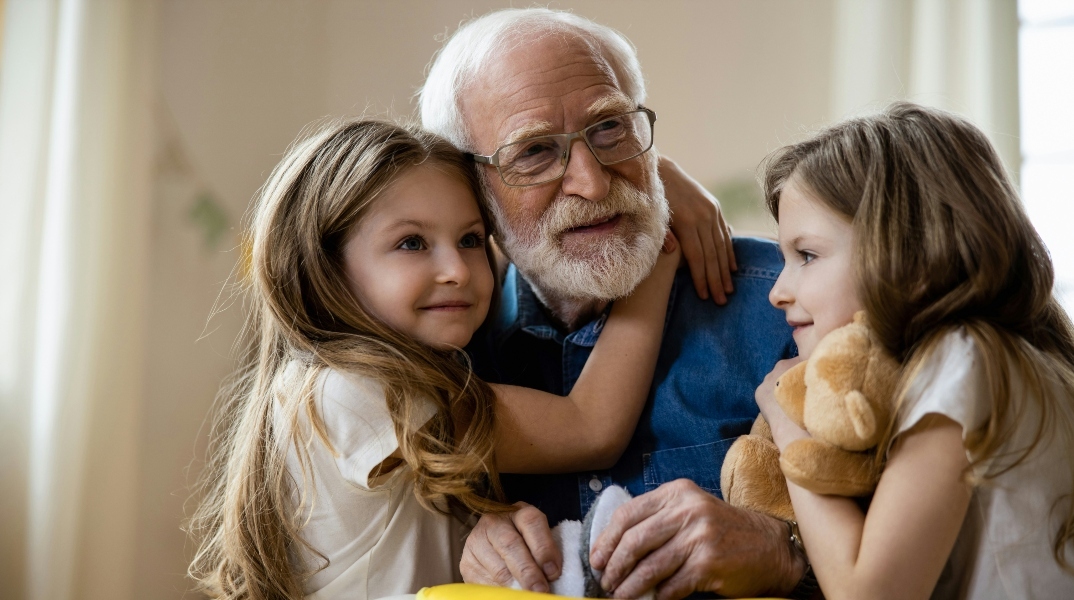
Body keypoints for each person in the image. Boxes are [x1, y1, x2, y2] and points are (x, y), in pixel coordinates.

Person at [186, 119, 683, 599]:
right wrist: (656, 242)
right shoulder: (357, 392)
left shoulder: (319, 383)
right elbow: (590, 428)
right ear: (325, 267)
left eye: (470, 240)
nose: (457, 270)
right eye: (412, 243)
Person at [419, 8, 807, 599]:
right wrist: (468, 541)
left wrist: (783, 550)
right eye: (534, 152)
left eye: (609, 128)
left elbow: (927, 564)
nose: (594, 183)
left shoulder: (791, 304)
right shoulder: (448, 354)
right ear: (469, 187)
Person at [750, 102, 1074, 598]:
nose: (777, 291)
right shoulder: (1017, 357)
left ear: (902, 248)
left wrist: (783, 418)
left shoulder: (961, 360)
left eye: (807, 255)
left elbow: (867, 593)